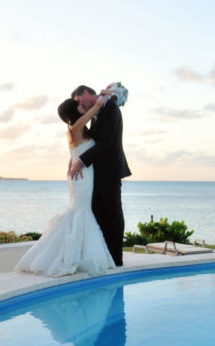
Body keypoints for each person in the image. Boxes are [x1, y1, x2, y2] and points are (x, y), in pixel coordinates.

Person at [15, 92, 116, 276]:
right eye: (78, 105)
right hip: (81, 177)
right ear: (71, 113)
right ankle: (71, 258)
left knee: (81, 211)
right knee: (80, 211)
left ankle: (77, 255)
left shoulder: (80, 130)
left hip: (83, 174)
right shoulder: (74, 127)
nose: (82, 107)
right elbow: (94, 109)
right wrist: (104, 96)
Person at [68, 85, 131, 266]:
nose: (80, 105)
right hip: (96, 172)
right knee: (98, 213)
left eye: (79, 100)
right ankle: (103, 255)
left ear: (86, 93)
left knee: (113, 213)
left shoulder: (110, 108)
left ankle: (116, 258)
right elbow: (91, 140)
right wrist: (74, 156)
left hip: (110, 170)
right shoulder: (98, 111)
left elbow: (106, 142)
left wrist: (81, 161)